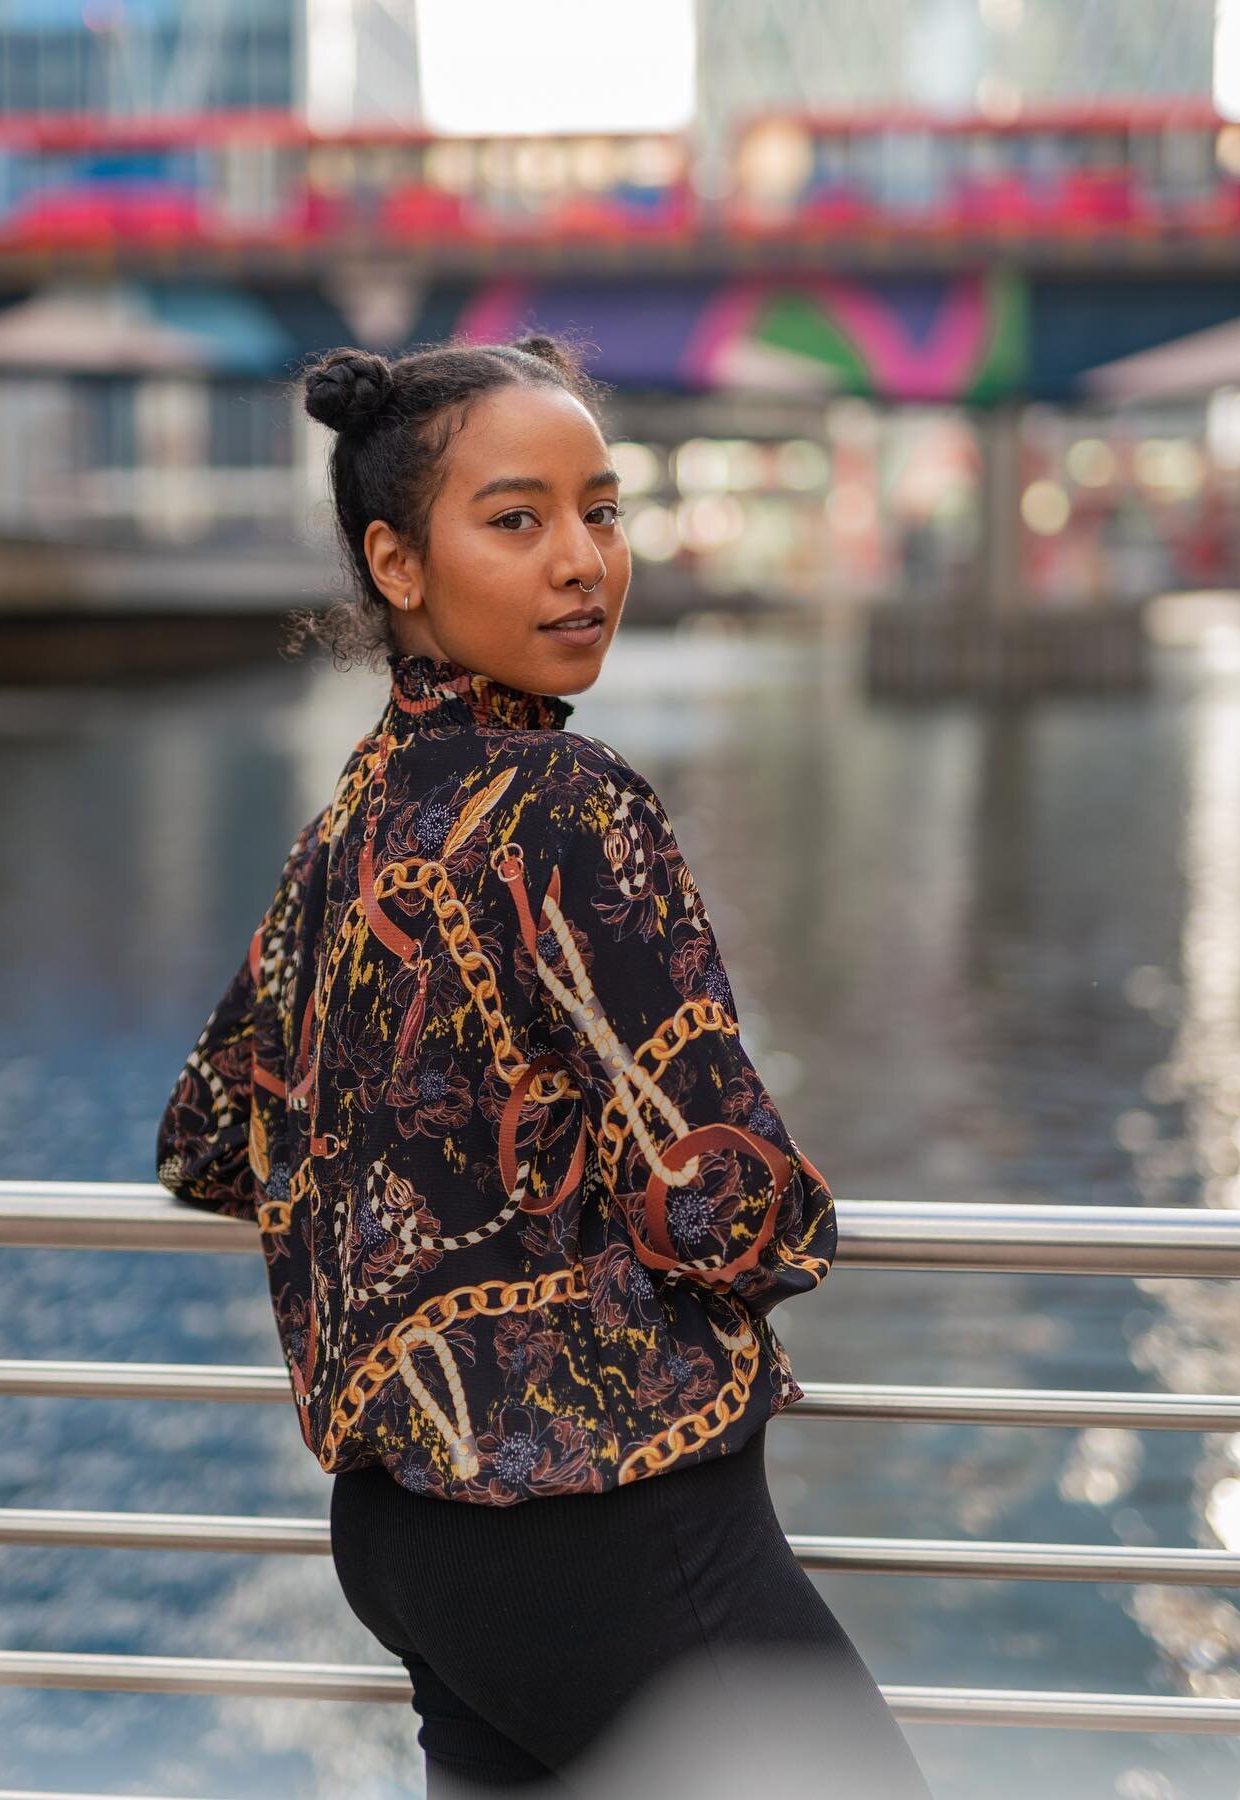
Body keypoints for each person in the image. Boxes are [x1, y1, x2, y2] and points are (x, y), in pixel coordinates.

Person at [155, 334, 934, 1798]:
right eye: (516, 521)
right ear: (397, 563)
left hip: (407, 1534)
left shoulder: (353, 824)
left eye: (604, 509)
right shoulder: (572, 803)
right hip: (603, 1512)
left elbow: (207, 1135)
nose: (582, 560)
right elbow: (724, 1198)